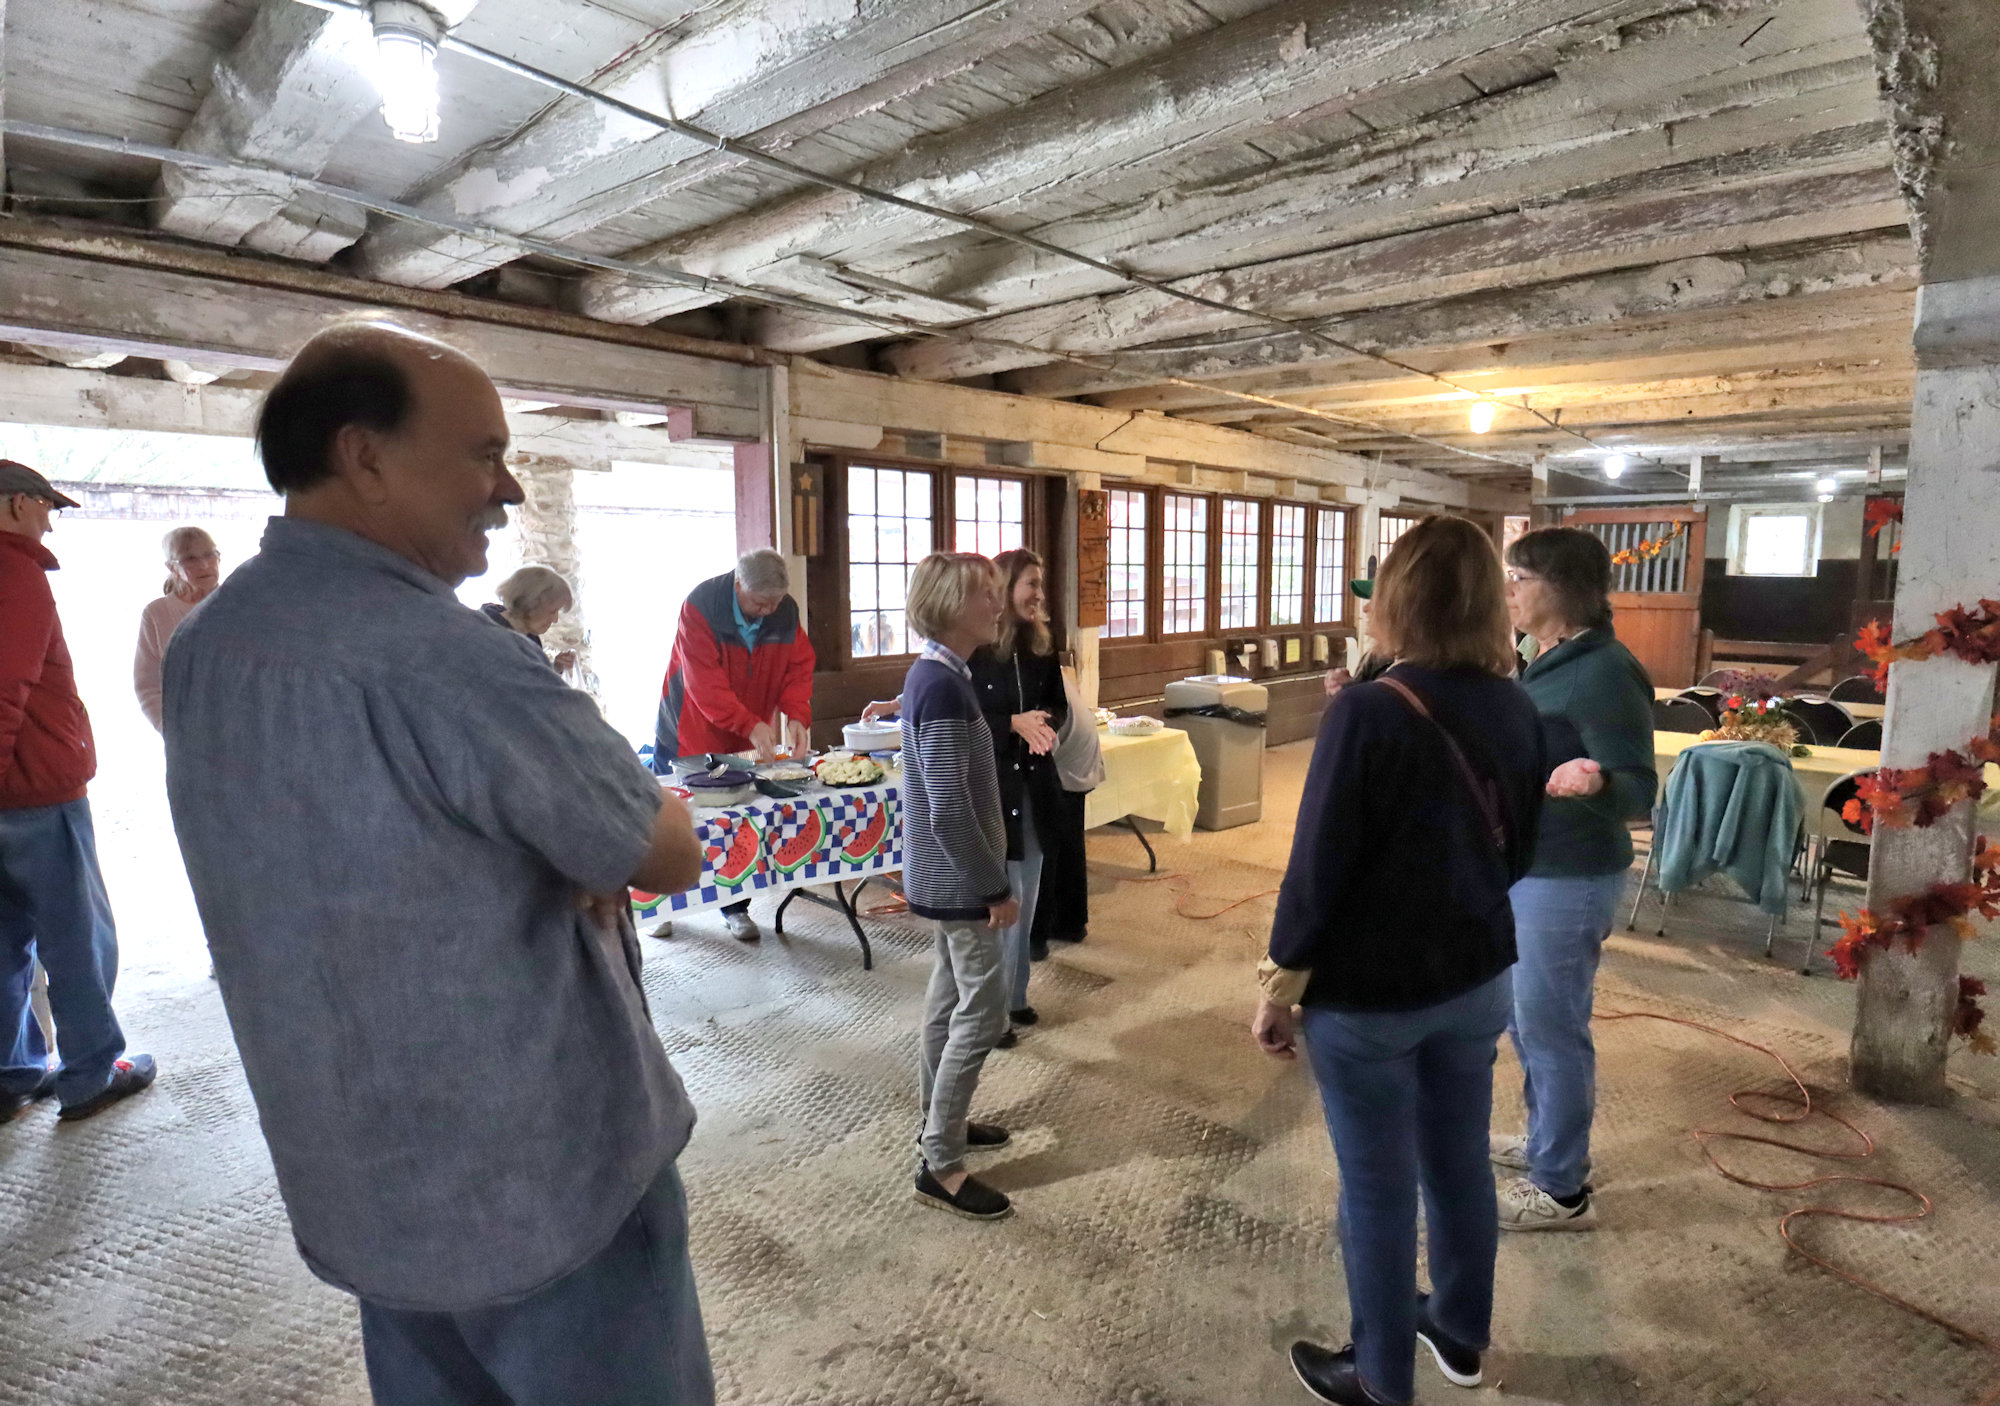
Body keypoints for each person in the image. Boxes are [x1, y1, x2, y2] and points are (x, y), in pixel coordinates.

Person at [162, 320, 712, 1406]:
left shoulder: (207, 645)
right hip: (542, 1183)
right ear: (365, 456)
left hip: (363, 1179)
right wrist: (608, 819)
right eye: (484, 453)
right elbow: (666, 849)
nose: (509, 488)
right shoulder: (450, 657)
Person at [1253, 514, 1547, 1406]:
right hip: (1478, 973)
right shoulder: (1516, 701)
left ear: (1396, 599)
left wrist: (1279, 984)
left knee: (1378, 1189)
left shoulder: (1368, 709)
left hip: (1372, 991)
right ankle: (1459, 1333)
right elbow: (1521, 851)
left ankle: (1379, 1375)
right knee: (1457, 1163)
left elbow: (1317, 868)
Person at [1493, 527, 1656, 1232]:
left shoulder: (1604, 671)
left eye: (1519, 579)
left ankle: (1562, 1190)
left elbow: (1639, 788)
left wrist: (1597, 780)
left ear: (1560, 588)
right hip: (1533, 863)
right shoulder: (1546, 657)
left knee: (1552, 1026)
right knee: (1525, 1019)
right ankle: (1544, 1142)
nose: (1508, 592)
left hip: (1571, 871)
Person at [1, 459, 156, 1124]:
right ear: (17, 504)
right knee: (77, 938)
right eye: (46, 508)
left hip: (14, 794)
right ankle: (91, 1073)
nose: (48, 523)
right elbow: (6, 683)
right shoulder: (15, 570)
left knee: (3, 942)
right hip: (36, 792)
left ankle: (10, 1075)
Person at [901, 552, 1018, 1222]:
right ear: (949, 605)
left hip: (946, 876)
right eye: (985, 595)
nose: (996, 607)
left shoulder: (940, 675)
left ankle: (940, 1122)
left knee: (948, 1004)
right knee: (985, 1013)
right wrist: (993, 887)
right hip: (959, 880)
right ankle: (940, 1163)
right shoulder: (942, 686)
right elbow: (948, 810)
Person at [654, 547, 815, 943]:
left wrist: (796, 714)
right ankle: (660, 904)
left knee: (740, 821)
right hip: (690, 724)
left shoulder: (784, 612)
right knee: (673, 818)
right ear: (739, 583)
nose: (769, 610)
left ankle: (735, 907)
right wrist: (750, 724)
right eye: (761, 603)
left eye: (776, 602)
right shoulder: (701, 607)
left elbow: (798, 667)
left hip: (749, 729)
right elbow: (703, 684)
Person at [968, 548, 1066, 1043]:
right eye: (1032, 584)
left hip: (1035, 788)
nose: (1040, 595)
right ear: (1007, 588)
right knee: (1005, 902)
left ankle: (1016, 997)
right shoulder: (977, 650)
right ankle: (995, 1015)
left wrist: (1043, 725)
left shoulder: (1042, 645)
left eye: (1040, 585)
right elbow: (965, 722)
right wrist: (1012, 724)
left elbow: (1058, 706)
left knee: (1026, 901)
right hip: (994, 790)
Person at [134, 526, 223, 732]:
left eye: (210, 555)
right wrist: (171, 730)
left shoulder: (239, 606)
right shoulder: (157, 613)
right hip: (183, 733)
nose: (204, 565)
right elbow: (147, 684)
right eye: (190, 559)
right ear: (172, 567)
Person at [483, 564, 578, 673]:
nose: (555, 620)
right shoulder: (492, 638)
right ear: (530, 605)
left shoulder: (529, 636)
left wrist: (555, 667)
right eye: (552, 611)